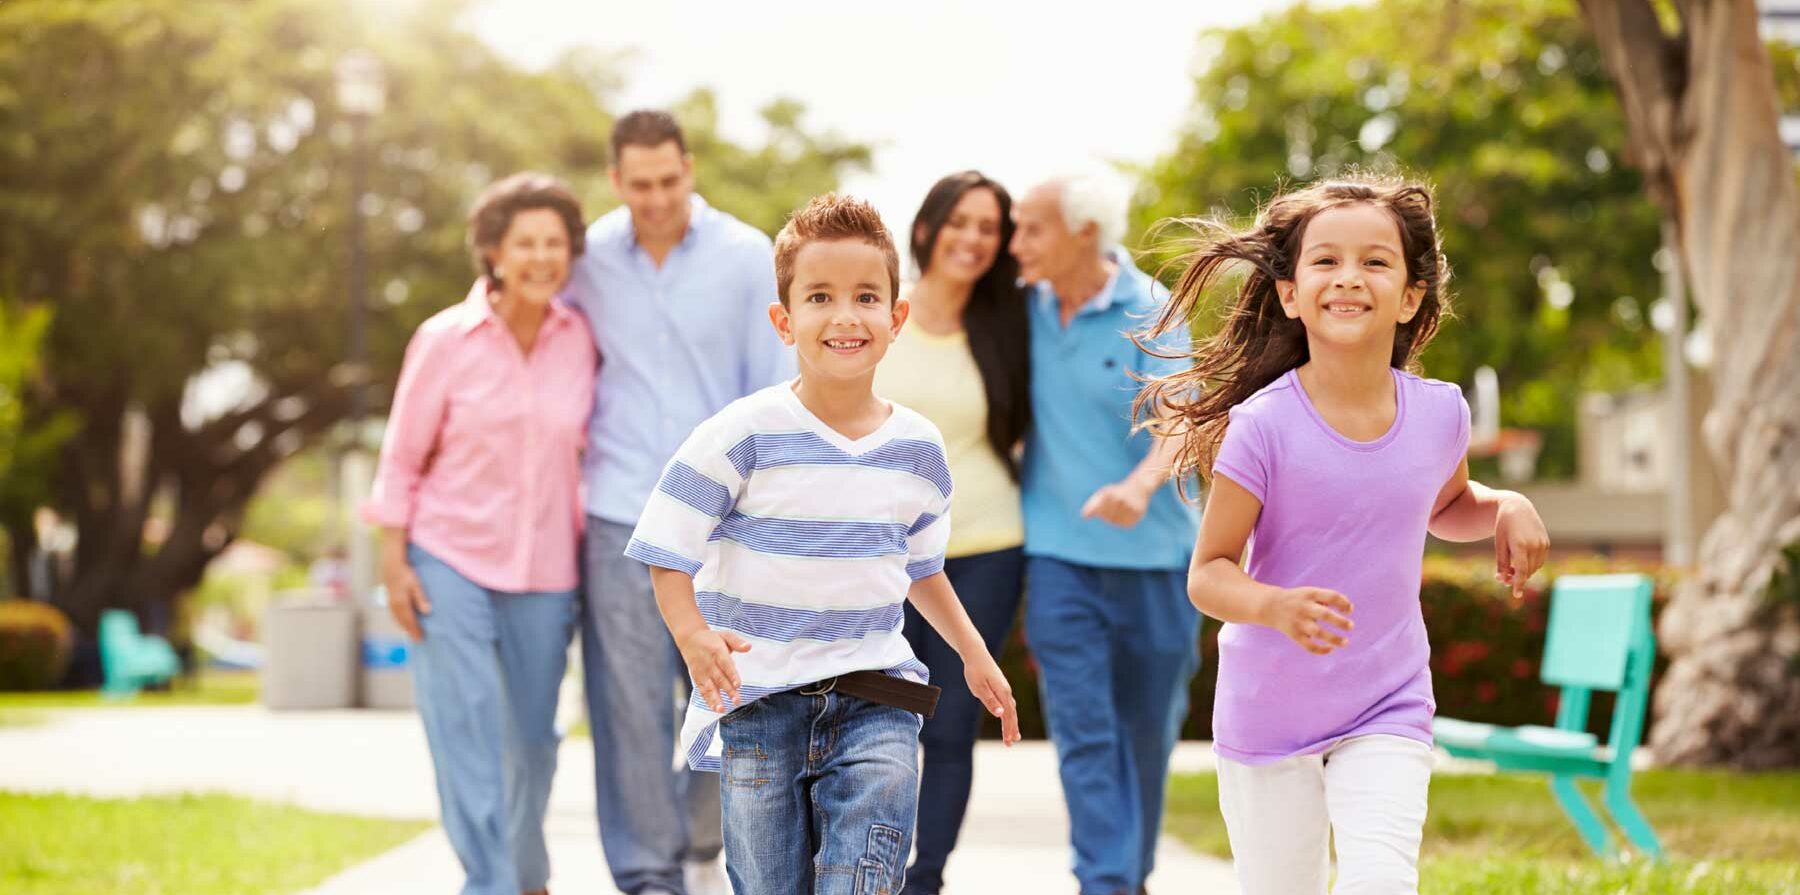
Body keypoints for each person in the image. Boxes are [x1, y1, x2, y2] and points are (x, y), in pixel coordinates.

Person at [1137, 175, 1550, 894]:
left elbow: (1445, 503)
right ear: (1291, 292)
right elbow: (1209, 570)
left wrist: (1503, 504)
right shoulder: (1263, 427)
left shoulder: (1440, 414)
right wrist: (1273, 606)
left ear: (1412, 294)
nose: (1349, 278)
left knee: (1381, 879)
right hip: (1269, 711)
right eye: (1325, 261)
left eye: (1376, 261)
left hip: (1387, 699)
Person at [626, 194, 1023, 895]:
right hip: (758, 702)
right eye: (820, 296)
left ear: (896, 319)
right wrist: (692, 636)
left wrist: (972, 651)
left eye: (867, 296)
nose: (845, 315)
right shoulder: (741, 433)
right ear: (785, 321)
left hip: (878, 694)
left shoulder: (918, 449)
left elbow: (921, 569)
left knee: (863, 875)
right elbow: (666, 544)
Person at [565, 109, 792, 895]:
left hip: (716, 523)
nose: (656, 198)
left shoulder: (745, 255)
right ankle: (646, 875)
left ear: (688, 169)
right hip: (617, 511)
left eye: (669, 180)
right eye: (640, 184)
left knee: (720, 692)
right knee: (625, 706)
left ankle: (699, 847)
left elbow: (772, 391)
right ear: (616, 180)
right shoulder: (586, 257)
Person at [364, 172, 595, 895]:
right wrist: (393, 561)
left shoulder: (579, 339)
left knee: (531, 741)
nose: (539, 256)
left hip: (548, 568)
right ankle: (489, 884)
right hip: (448, 559)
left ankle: (527, 876)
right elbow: (401, 456)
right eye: (524, 241)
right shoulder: (443, 339)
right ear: (493, 252)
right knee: (466, 729)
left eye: (554, 243)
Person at [1009, 171, 1202, 895]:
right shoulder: (1019, 310)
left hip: (1155, 558)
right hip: (1059, 555)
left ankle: (1129, 874)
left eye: (1033, 228)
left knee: (1147, 734)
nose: (1016, 243)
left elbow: (1181, 421)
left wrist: (1139, 485)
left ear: (1085, 233)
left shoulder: (1150, 309)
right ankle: (1107, 881)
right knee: (1085, 732)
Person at [871, 171, 1030, 895]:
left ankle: (922, 879)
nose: (972, 238)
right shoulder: (881, 312)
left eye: (988, 228)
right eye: (960, 222)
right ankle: (864, 866)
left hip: (985, 548)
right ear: (929, 227)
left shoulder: (1007, 325)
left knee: (951, 717)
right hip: (880, 556)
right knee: (876, 720)